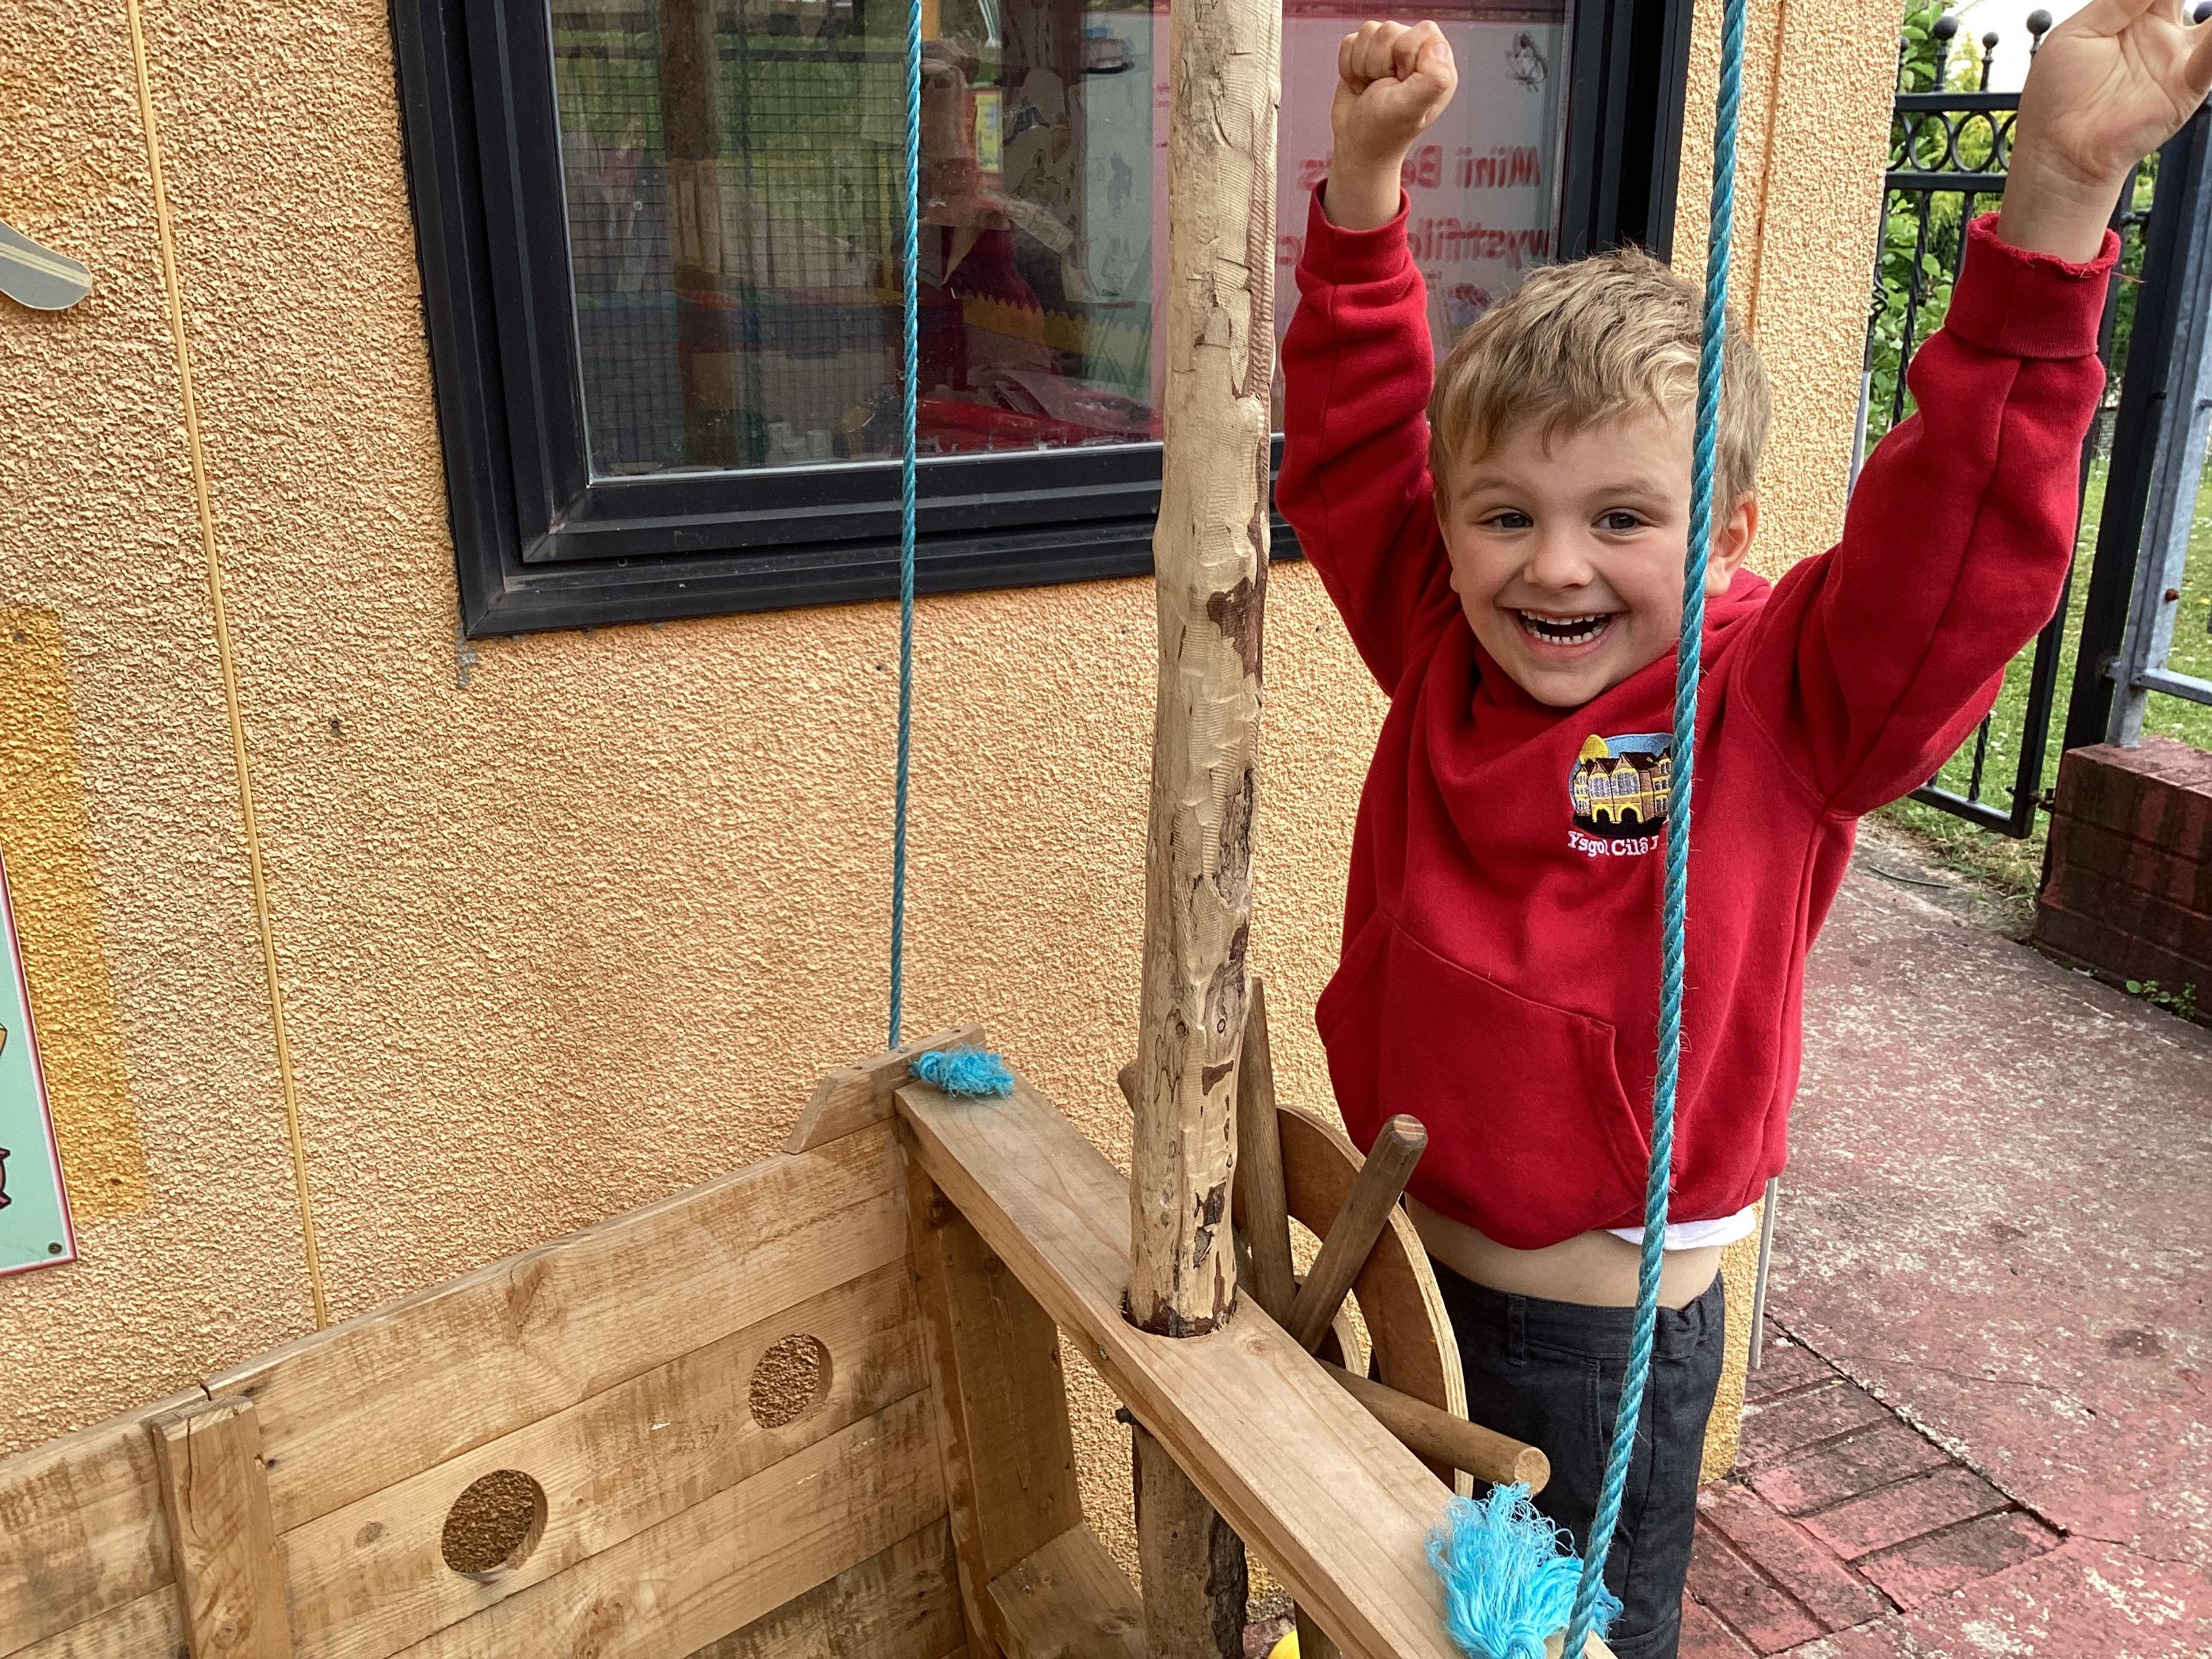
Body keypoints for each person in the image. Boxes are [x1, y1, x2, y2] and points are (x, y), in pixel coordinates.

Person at [1277, 6, 2212, 1654]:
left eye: (1622, 517)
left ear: (1728, 534)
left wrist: (2061, 198)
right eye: (1506, 515)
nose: (1554, 565)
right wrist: (1362, 189)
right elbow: (1357, 444)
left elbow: (1954, 549)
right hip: (1397, 1272)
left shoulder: (1779, 699)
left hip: (1591, 1350)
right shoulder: (1438, 635)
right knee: (1379, 1611)